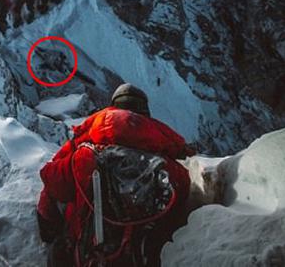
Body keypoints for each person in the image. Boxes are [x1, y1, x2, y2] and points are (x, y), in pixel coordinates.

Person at [37, 83, 194, 267]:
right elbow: (179, 209)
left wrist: (48, 227)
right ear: (146, 114)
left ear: (112, 108)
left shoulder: (84, 156)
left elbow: (52, 180)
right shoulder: (171, 170)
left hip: (87, 256)